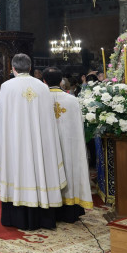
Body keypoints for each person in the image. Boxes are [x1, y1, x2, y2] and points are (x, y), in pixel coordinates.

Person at [0, 54, 66, 231]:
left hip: (15, 143)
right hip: (39, 143)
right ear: (30, 68)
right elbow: (48, 122)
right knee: (39, 168)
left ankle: (15, 218)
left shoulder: (7, 87)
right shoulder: (42, 87)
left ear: (13, 68)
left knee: (17, 171)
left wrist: (1, 141)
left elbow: (1, 119)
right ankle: (43, 218)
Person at [42, 67, 93, 222]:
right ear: (61, 81)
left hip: (47, 148)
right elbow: (79, 129)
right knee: (70, 171)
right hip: (70, 148)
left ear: (44, 81)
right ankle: (70, 210)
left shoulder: (40, 100)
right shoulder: (72, 100)